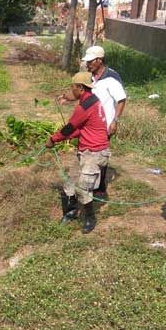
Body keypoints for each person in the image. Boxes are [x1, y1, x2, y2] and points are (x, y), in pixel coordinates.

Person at [46, 72, 109, 234]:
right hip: (86, 151)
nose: (71, 90)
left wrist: (53, 139)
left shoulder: (84, 106)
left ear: (80, 88)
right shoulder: (92, 100)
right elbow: (83, 128)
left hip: (95, 153)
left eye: (72, 87)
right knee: (70, 182)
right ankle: (71, 211)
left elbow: (69, 128)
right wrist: (67, 137)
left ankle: (90, 218)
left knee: (83, 188)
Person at [83, 45, 127, 199]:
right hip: (90, 124)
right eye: (87, 62)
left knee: (100, 154)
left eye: (90, 62)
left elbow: (121, 100)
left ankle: (99, 187)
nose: (87, 65)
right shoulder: (90, 77)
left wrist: (115, 120)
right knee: (90, 153)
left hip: (105, 124)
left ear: (99, 61)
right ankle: (90, 184)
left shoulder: (111, 77)